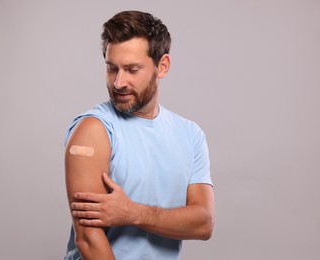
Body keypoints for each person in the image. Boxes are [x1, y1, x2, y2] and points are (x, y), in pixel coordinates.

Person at [63, 10, 215, 260]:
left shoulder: (190, 135)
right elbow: (88, 239)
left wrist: (133, 213)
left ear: (162, 66)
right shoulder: (93, 131)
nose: (118, 82)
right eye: (112, 69)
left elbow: (203, 223)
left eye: (132, 69)